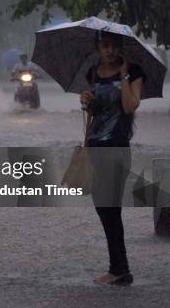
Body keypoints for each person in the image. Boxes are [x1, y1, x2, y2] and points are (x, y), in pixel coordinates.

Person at [80, 31, 145, 286]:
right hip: (96, 146)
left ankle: (119, 269)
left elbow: (130, 106)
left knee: (112, 209)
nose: (108, 51)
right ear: (97, 48)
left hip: (117, 146)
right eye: (104, 46)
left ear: (120, 48)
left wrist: (125, 74)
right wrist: (87, 101)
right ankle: (118, 267)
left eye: (113, 46)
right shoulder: (92, 74)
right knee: (102, 208)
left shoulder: (135, 72)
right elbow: (95, 111)